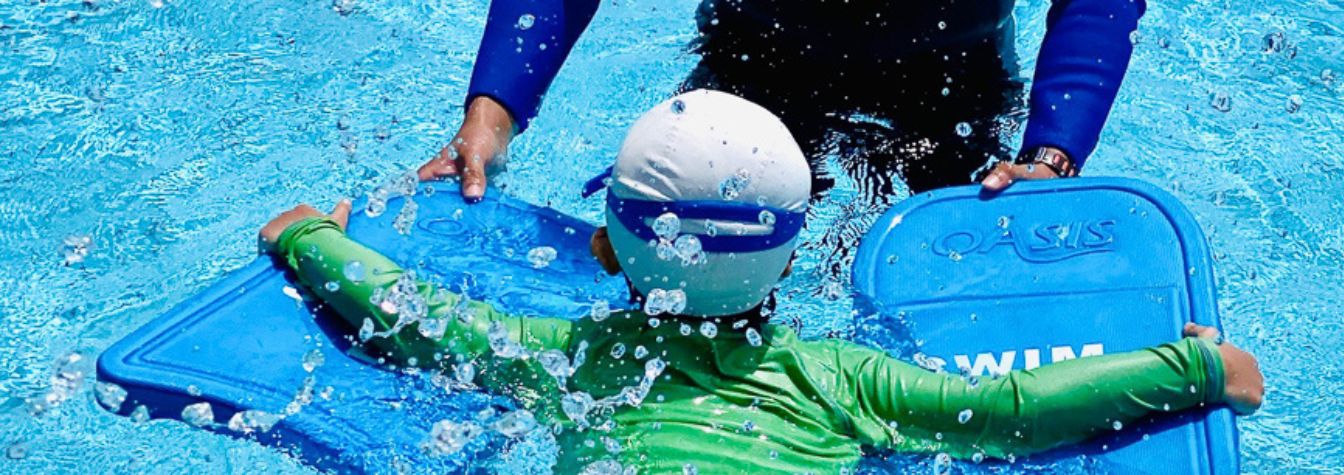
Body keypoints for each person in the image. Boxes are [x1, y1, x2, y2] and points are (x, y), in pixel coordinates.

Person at [266, 91, 1263, 473]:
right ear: (793, 256)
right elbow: (1004, 409)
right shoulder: (836, 379)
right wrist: (1190, 368)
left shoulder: (565, 359)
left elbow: (421, 318)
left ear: (608, 248)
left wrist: (310, 239)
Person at [418, 0, 1145, 202]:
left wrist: (1049, 156)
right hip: (756, 61)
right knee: (689, 290)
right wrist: (492, 115)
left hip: (948, 84)